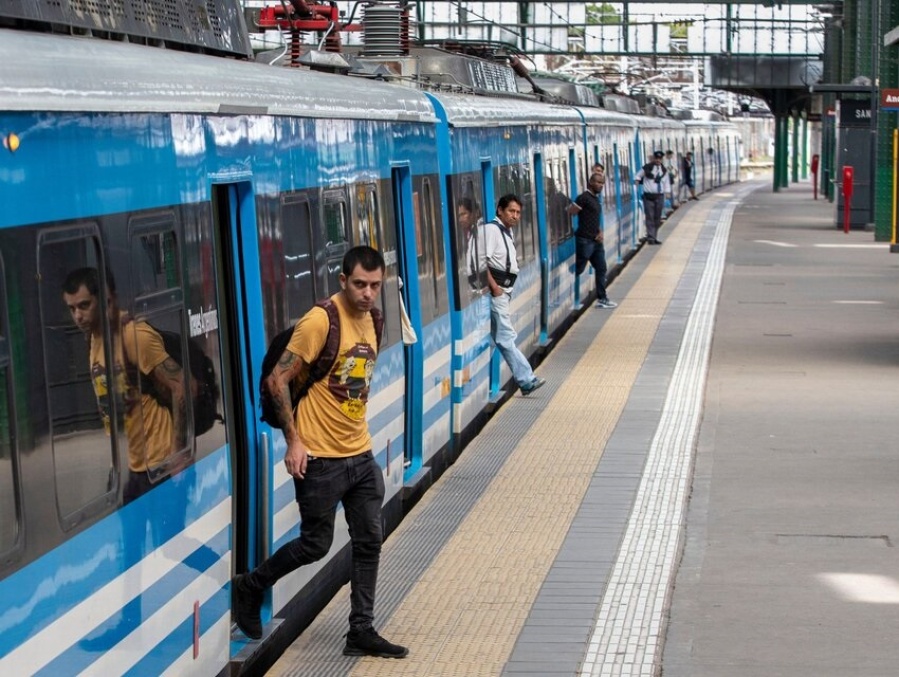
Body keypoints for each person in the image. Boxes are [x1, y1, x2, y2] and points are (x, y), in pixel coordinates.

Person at [231, 246, 408, 659]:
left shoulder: (375, 319)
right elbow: (277, 381)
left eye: (375, 285)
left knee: (369, 539)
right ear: (343, 280)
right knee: (315, 544)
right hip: (320, 459)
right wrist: (294, 440)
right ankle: (250, 585)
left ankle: (360, 630)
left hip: (359, 453)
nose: (367, 293)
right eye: (360, 284)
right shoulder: (320, 321)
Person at [62, 267, 187, 503]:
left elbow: (181, 385)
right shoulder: (93, 338)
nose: (77, 316)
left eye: (84, 305)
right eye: (72, 308)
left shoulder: (133, 335)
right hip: (133, 467)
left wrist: (177, 452)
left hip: (160, 464)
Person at [479, 194, 545, 395]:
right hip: (497, 293)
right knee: (505, 337)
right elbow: (481, 262)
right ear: (500, 210)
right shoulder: (491, 230)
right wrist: (495, 288)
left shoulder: (506, 231)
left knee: (497, 338)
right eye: (511, 211)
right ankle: (526, 380)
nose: (515, 216)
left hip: (503, 292)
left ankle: (481, 381)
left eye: (518, 212)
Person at [568, 172, 617, 309]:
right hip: (585, 240)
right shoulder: (584, 198)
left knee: (601, 268)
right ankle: (569, 296)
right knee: (578, 269)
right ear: (590, 182)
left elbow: (593, 219)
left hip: (596, 242)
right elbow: (571, 212)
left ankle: (602, 298)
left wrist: (599, 231)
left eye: (602, 183)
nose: (601, 185)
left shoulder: (595, 199)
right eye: (598, 182)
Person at [634, 150, 670, 245]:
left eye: (660, 159)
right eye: (656, 158)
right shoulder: (647, 168)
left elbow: (666, 183)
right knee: (650, 217)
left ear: (662, 159)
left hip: (659, 196)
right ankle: (651, 237)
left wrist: (667, 193)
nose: (658, 160)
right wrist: (636, 184)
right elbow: (638, 176)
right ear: (654, 158)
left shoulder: (664, 170)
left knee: (657, 218)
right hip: (648, 196)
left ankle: (654, 236)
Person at [457, 197, 484, 291]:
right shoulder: (473, 233)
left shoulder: (482, 231)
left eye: (464, 214)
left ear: (475, 213)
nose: (460, 219)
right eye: (459, 216)